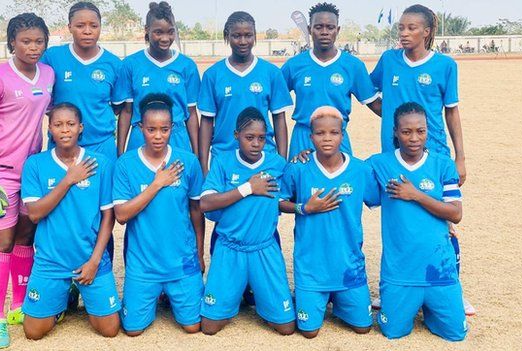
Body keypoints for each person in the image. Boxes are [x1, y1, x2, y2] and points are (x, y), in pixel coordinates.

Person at [369, 4, 472, 315]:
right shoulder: (388, 61)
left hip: (435, 152)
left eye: (412, 28)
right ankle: (395, 286)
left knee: (442, 224)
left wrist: (460, 156)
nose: (404, 32)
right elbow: (367, 91)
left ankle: (450, 285)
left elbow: (451, 111)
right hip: (394, 155)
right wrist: (387, 117)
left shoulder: (444, 65)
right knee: (398, 219)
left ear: (427, 32)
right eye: (401, 27)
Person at [0, 13, 54, 348]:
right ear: (11, 43)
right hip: (1, 173)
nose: (32, 48)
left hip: (33, 171)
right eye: (25, 41)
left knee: (25, 237)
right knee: (1, 244)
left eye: (38, 42)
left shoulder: (48, 74)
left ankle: (20, 305)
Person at [367, 102, 467, 341]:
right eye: (406, 131)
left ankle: (432, 306)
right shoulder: (379, 164)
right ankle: (410, 300)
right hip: (400, 271)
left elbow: (456, 213)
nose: (414, 138)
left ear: (428, 130)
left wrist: (416, 195)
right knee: (393, 331)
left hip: (439, 269)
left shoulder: (442, 164)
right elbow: (341, 171)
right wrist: (305, 156)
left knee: (455, 334)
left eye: (420, 131)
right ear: (395, 132)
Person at [20, 103, 121, 340]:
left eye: (70, 124)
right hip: (50, 261)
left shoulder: (100, 164)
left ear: (80, 128)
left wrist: (95, 261)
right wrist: (68, 180)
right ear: (50, 130)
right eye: (58, 125)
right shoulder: (35, 164)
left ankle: (81, 288)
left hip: (89, 259)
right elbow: (34, 214)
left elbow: (109, 216)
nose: (65, 130)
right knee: (33, 332)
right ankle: (61, 297)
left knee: (109, 329)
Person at [280, 106, 378, 337]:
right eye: (320, 133)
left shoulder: (360, 169)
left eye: (333, 133)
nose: (327, 138)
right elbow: (278, 201)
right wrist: (303, 208)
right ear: (310, 136)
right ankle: (317, 295)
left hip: (349, 268)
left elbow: (385, 201)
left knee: (363, 328)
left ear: (342, 135)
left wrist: (445, 222)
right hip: (311, 270)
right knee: (309, 332)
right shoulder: (298, 168)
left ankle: (340, 298)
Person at [113, 93, 205, 335]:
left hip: (182, 262)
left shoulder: (187, 162)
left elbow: (196, 210)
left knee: (193, 326)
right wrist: (157, 184)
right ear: (140, 127)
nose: (157, 136)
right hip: (143, 266)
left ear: (172, 128)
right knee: (132, 330)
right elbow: (121, 215)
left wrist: (199, 252)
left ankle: (175, 289)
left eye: (164, 129)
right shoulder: (126, 164)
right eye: (151, 129)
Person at [199, 107, 295, 336]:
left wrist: (304, 157)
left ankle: (261, 296)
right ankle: (232, 295)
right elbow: (205, 203)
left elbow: (290, 192)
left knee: (286, 327)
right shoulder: (222, 162)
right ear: (236, 136)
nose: (256, 143)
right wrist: (248, 188)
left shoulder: (277, 164)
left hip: (264, 248)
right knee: (210, 327)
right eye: (249, 137)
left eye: (261, 138)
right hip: (229, 248)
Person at [281, 2, 381, 159]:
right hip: (303, 137)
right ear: (309, 29)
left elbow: (375, 104)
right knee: (298, 181)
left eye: (330, 27)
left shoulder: (353, 66)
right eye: (319, 27)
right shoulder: (294, 65)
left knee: (343, 182)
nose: (325, 32)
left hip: (336, 137)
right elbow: (271, 99)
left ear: (338, 30)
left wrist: (410, 120)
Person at [198, 11, 293, 173]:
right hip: (224, 157)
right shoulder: (212, 74)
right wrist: (204, 166)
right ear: (227, 36)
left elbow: (279, 119)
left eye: (248, 35)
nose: (243, 41)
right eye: (236, 36)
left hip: (263, 156)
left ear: (255, 36)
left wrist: (281, 161)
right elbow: (206, 123)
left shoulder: (271, 72)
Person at [41, 1, 126, 161]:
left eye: (94, 26)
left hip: (101, 145)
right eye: (80, 26)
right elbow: (29, 76)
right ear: (70, 27)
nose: (87, 31)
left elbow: (118, 107)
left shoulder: (113, 64)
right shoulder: (52, 57)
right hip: (61, 145)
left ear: (100, 27)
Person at [116, 1, 201, 156]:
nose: (165, 38)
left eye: (170, 32)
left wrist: (197, 155)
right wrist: (120, 153)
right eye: (158, 32)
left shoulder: (187, 66)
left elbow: (192, 113)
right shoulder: (130, 64)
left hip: (177, 138)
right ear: (147, 30)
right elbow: (127, 112)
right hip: (141, 137)